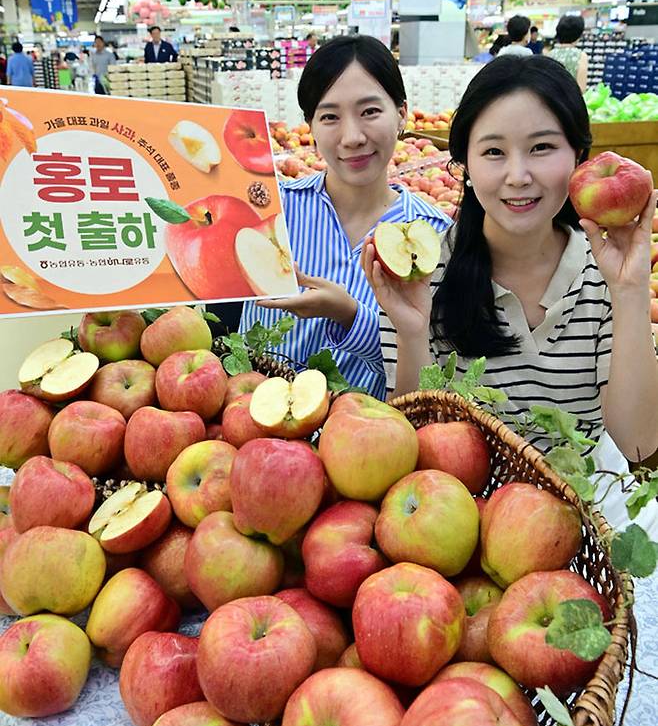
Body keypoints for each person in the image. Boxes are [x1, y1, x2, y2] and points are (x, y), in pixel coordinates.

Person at [364, 54, 658, 535]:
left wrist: (627, 293)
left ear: (580, 157)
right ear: (465, 163)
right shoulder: (419, 272)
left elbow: (638, 444)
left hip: (579, 523)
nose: (518, 175)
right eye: (494, 152)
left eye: (542, 147)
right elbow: (414, 446)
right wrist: (412, 330)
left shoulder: (604, 271)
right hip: (460, 527)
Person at [239, 34, 452, 400]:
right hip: (251, 424)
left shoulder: (435, 236)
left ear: (402, 114)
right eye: (330, 117)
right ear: (310, 126)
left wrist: (351, 315)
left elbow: (433, 375)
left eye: (370, 111)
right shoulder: (271, 209)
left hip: (365, 444)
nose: (352, 137)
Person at [550, 14, 589, 92]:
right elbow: (581, 88)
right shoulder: (581, 56)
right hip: (570, 101)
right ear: (578, 35)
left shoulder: (549, 55)